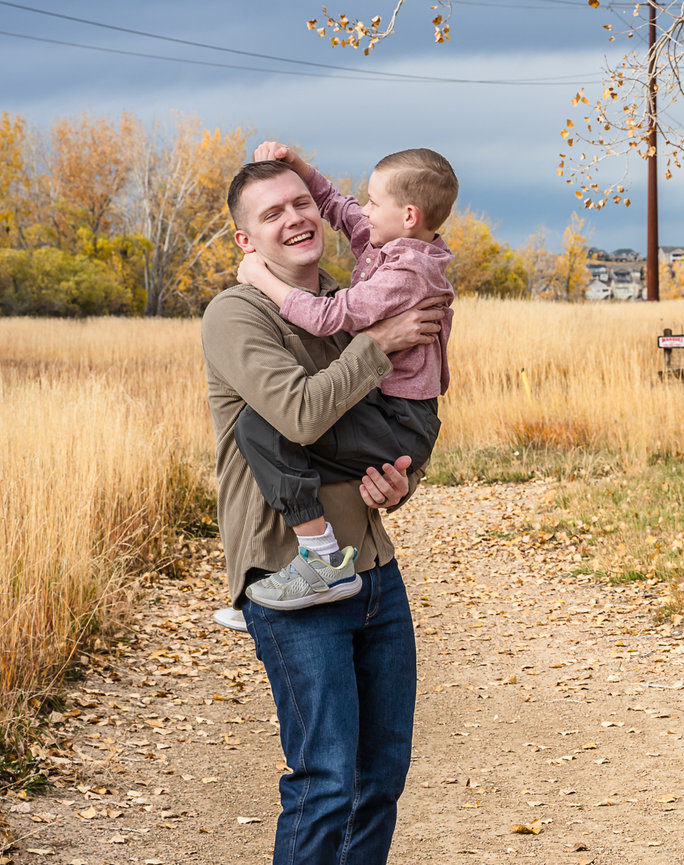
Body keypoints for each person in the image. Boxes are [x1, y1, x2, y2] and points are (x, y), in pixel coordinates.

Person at [202, 158, 444, 864]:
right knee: (326, 779)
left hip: (373, 570)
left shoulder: (356, 302)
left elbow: (396, 426)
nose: (295, 217)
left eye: (300, 201)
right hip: (291, 574)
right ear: (247, 242)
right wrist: (374, 346)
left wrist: (402, 481)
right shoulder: (237, 312)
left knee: (379, 780)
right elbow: (300, 416)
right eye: (271, 213)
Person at [232, 140, 457, 611]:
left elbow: (326, 317)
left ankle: (320, 564)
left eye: (375, 202)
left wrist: (260, 277)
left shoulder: (405, 276)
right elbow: (338, 207)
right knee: (293, 449)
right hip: (393, 414)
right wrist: (298, 166)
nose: (365, 210)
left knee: (259, 427)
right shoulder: (392, 246)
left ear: (409, 215)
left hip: (399, 418)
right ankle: (261, 599)